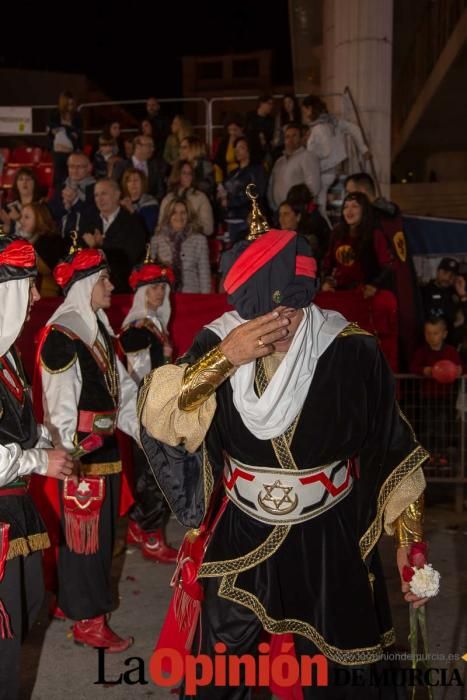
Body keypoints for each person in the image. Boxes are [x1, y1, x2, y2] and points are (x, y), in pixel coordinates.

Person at [138, 197, 431, 699]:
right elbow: (161, 416)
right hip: (242, 530)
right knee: (223, 670)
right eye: (263, 316)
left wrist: (410, 542)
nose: (277, 328)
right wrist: (225, 360)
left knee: (341, 670)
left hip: (327, 536)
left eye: (288, 313)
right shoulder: (220, 341)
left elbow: (394, 449)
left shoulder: (351, 348)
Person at [35, 241, 141, 651]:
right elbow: (59, 405)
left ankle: (74, 603)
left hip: (105, 447)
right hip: (82, 456)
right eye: (104, 279)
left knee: (95, 537)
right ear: (85, 285)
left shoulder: (96, 329)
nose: (112, 286)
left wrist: (146, 429)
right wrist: (68, 460)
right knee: (87, 541)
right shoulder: (64, 336)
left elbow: (123, 393)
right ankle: (88, 619)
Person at [0, 234, 72, 700]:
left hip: (15, 508)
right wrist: (38, 459)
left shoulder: (8, 355)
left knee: (26, 610)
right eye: (26, 287)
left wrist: (46, 438)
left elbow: (18, 425)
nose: (37, 298)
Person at [119, 259, 178, 563]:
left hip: (155, 406)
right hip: (145, 409)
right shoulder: (137, 329)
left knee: (150, 473)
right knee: (154, 475)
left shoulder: (152, 324)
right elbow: (141, 377)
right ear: (141, 291)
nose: (159, 293)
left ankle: (138, 529)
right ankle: (151, 536)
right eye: (153, 287)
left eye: (163, 287)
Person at [345, 172, 423, 368]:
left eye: (351, 195)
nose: (348, 203)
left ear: (362, 192)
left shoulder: (375, 220)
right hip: (404, 287)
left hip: (386, 290)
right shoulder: (391, 214)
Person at [302, 95, 370, 219]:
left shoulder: (318, 129)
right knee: (331, 208)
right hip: (337, 170)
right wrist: (363, 148)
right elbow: (353, 128)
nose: (304, 114)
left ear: (310, 108)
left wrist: (311, 154)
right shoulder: (334, 122)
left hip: (323, 173)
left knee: (320, 208)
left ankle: (328, 231)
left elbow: (324, 151)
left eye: (305, 110)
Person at [410, 317, 462, 466]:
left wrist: (459, 370)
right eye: (428, 333)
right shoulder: (422, 352)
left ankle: (441, 454)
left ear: (444, 334)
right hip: (427, 397)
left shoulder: (450, 352)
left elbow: (460, 367)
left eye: (435, 333)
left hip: (445, 397)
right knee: (428, 426)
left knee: (442, 426)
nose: (431, 337)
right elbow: (414, 366)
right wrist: (424, 370)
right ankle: (429, 454)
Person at [83, 178, 147, 293]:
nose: (99, 199)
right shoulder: (89, 223)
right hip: (92, 291)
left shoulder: (132, 223)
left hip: (121, 291)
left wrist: (98, 247)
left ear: (117, 195)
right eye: (96, 195)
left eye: (104, 194)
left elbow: (128, 258)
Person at [150, 198, 211, 294]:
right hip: (164, 294)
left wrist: (206, 299)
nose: (179, 216)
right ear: (168, 216)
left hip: (191, 294)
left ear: (189, 215)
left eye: (183, 213)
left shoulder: (199, 240)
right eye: (174, 212)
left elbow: (204, 275)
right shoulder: (157, 240)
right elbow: (150, 273)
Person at [267, 123, 320, 213]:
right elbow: (271, 185)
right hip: (279, 211)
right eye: (287, 137)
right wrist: (273, 206)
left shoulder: (307, 156)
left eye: (294, 136)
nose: (290, 140)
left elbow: (313, 186)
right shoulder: (279, 161)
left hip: (298, 211)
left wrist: (299, 206)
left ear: (301, 138)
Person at [18, 203, 66, 297]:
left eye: (27, 217)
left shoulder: (51, 240)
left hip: (47, 297)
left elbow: (47, 269)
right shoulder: (24, 241)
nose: (21, 221)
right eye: (21, 217)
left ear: (39, 219)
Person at [159, 160, 214, 236]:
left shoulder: (201, 197)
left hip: (194, 241)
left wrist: (188, 227)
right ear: (177, 175)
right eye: (184, 173)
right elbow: (160, 226)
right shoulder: (168, 199)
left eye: (190, 173)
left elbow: (208, 228)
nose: (187, 176)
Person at [421, 257, 467, 343]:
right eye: (445, 272)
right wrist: (454, 324)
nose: (448, 278)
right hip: (431, 343)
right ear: (438, 271)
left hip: (453, 345)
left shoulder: (456, 292)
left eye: (453, 275)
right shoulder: (424, 291)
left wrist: (462, 293)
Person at [47, 91, 83, 189]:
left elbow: (78, 133)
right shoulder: (55, 113)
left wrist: (64, 129)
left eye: (72, 104)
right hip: (58, 151)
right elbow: (51, 130)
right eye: (68, 104)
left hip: (72, 150)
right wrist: (68, 130)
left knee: (72, 176)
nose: (70, 107)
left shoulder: (76, 116)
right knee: (59, 177)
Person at [0, 168, 42, 235]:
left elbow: (43, 230)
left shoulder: (41, 206)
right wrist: (7, 225)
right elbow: (1, 236)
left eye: (28, 179)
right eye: (21, 179)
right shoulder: (9, 208)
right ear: (16, 184)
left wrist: (19, 219)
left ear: (34, 183)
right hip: (12, 243)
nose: (24, 182)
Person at [120, 168, 159, 237]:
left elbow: (147, 229)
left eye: (136, 180)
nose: (133, 183)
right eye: (129, 181)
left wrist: (132, 210)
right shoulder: (120, 203)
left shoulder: (150, 203)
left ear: (142, 182)